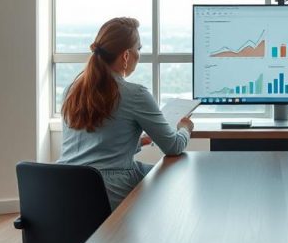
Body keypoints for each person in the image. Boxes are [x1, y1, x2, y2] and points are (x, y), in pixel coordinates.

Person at [58, 17, 193, 210]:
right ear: (126, 56)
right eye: (139, 49)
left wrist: (137, 143)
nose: (139, 54)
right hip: (106, 188)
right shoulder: (135, 94)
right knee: (173, 177)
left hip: (63, 186)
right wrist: (185, 129)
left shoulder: (71, 91)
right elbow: (173, 147)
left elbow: (92, 146)